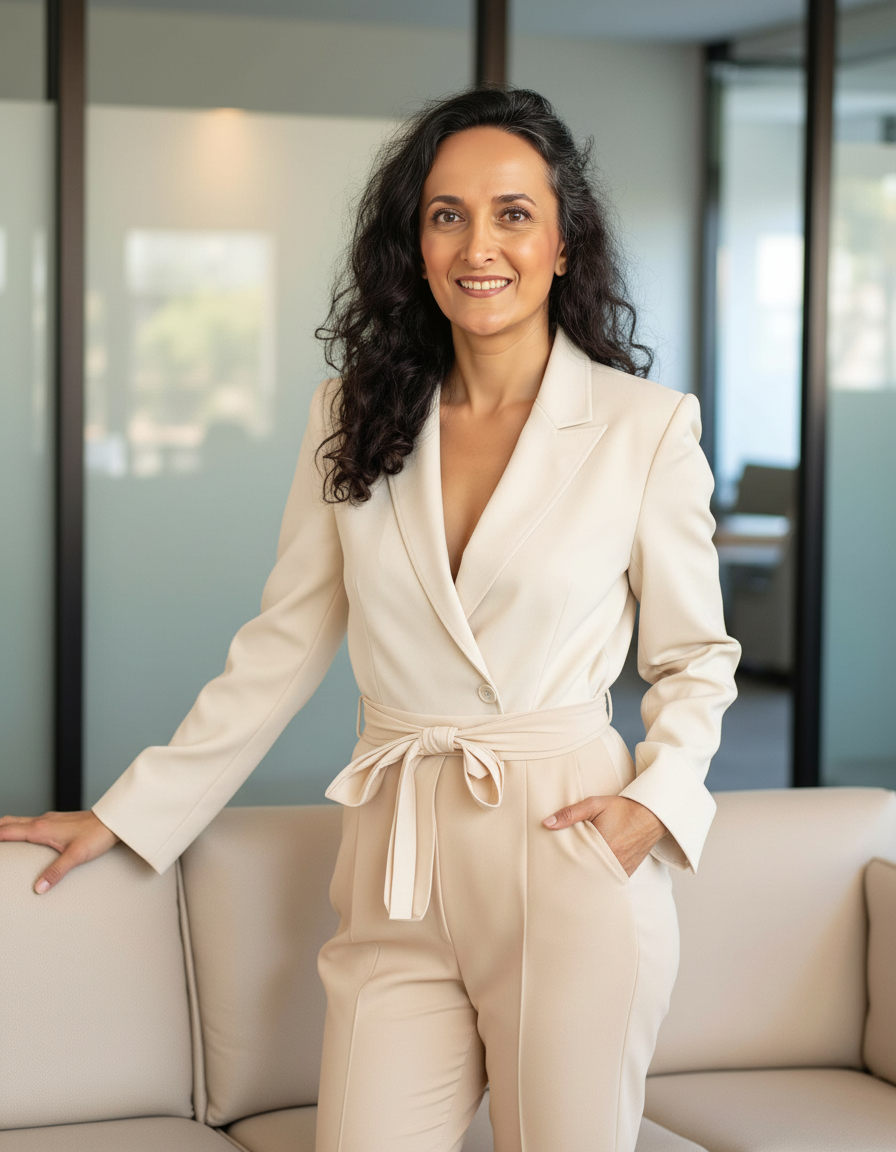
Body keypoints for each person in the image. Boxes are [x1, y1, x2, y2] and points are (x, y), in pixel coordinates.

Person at [0, 88, 740, 1152]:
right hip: (395, 855)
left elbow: (696, 657)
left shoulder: (644, 428)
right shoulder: (352, 415)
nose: (477, 246)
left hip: (568, 848)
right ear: (414, 243)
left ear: (564, 243)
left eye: (512, 214)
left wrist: (651, 806)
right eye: (446, 215)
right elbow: (282, 646)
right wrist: (127, 815)